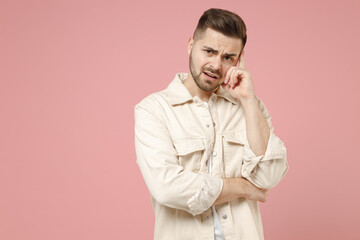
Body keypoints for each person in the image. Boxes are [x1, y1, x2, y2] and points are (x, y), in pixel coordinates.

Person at [134, 8, 289, 240]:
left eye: (228, 57)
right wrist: (244, 187)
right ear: (190, 45)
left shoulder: (250, 107)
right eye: (209, 51)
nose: (216, 65)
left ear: (239, 59)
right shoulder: (153, 110)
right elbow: (166, 187)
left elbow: (269, 176)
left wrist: (248, 101)